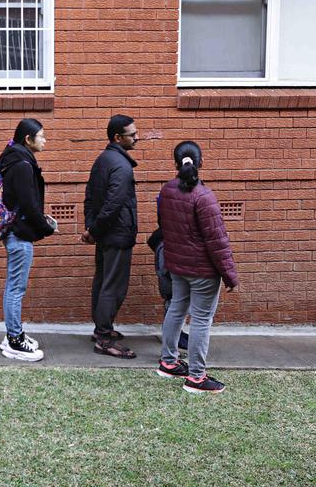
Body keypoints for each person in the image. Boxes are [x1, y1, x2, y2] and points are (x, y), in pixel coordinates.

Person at [155, 141, 238, 394]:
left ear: (176, 163)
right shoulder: (204, 196)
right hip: (202, 271)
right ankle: (196, 378)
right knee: (201, 319)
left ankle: (168, 363)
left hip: (177, 266)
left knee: (177, 310)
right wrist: (230, 275)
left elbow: (164, 225)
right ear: (200, 163)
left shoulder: (167, 190)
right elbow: (218, 241)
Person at [0, 118, 55, 362]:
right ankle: (14, 340)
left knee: (15, 286)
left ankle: (14, 333)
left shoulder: (18, 159)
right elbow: (29, 204)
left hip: (17, 230)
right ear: (28, 139)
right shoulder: (22, 164)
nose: (44, 140)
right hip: (19, 233)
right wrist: (45, 226)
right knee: (16, 288)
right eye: (41, 136)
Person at [82, 114, 140, 359]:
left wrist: (92, 229)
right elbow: (113, 205)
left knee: (102, 281)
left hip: (106, 235)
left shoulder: (102, 160)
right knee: (113, 286)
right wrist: (93, 230)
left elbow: (90, 198)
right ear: (118, 137)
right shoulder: (121, 166)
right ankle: (104, 339)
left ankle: (100, 330)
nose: (137, 138)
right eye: (132, 134)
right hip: (117, 235)